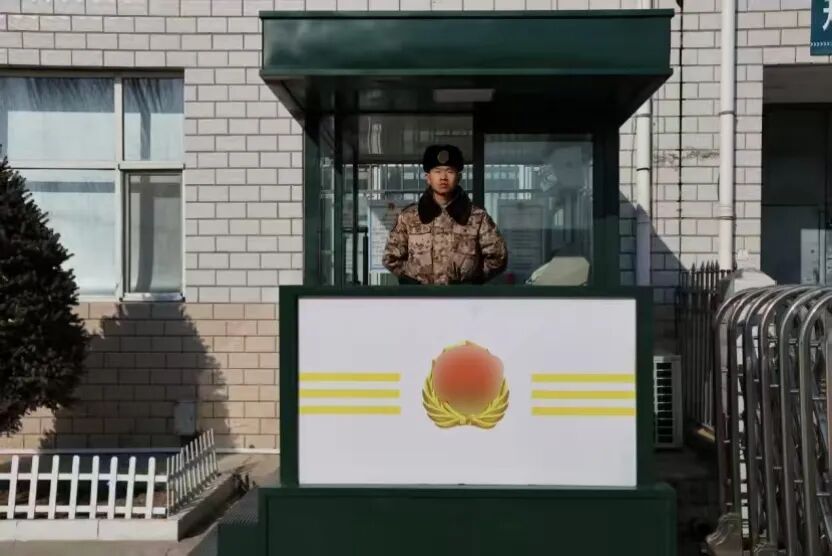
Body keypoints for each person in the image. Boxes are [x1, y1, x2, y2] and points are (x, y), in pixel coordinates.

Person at [382, 144, 508, 285]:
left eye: (449, 171)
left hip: (461, 297)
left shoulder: (477, 218)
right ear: (428, 177)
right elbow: (390, 257)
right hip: (421, 297)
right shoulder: (409, 218)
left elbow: (498, 257)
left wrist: (473, 281)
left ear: (459, 177)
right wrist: (412, 281)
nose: (443, 177)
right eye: (437, 171)